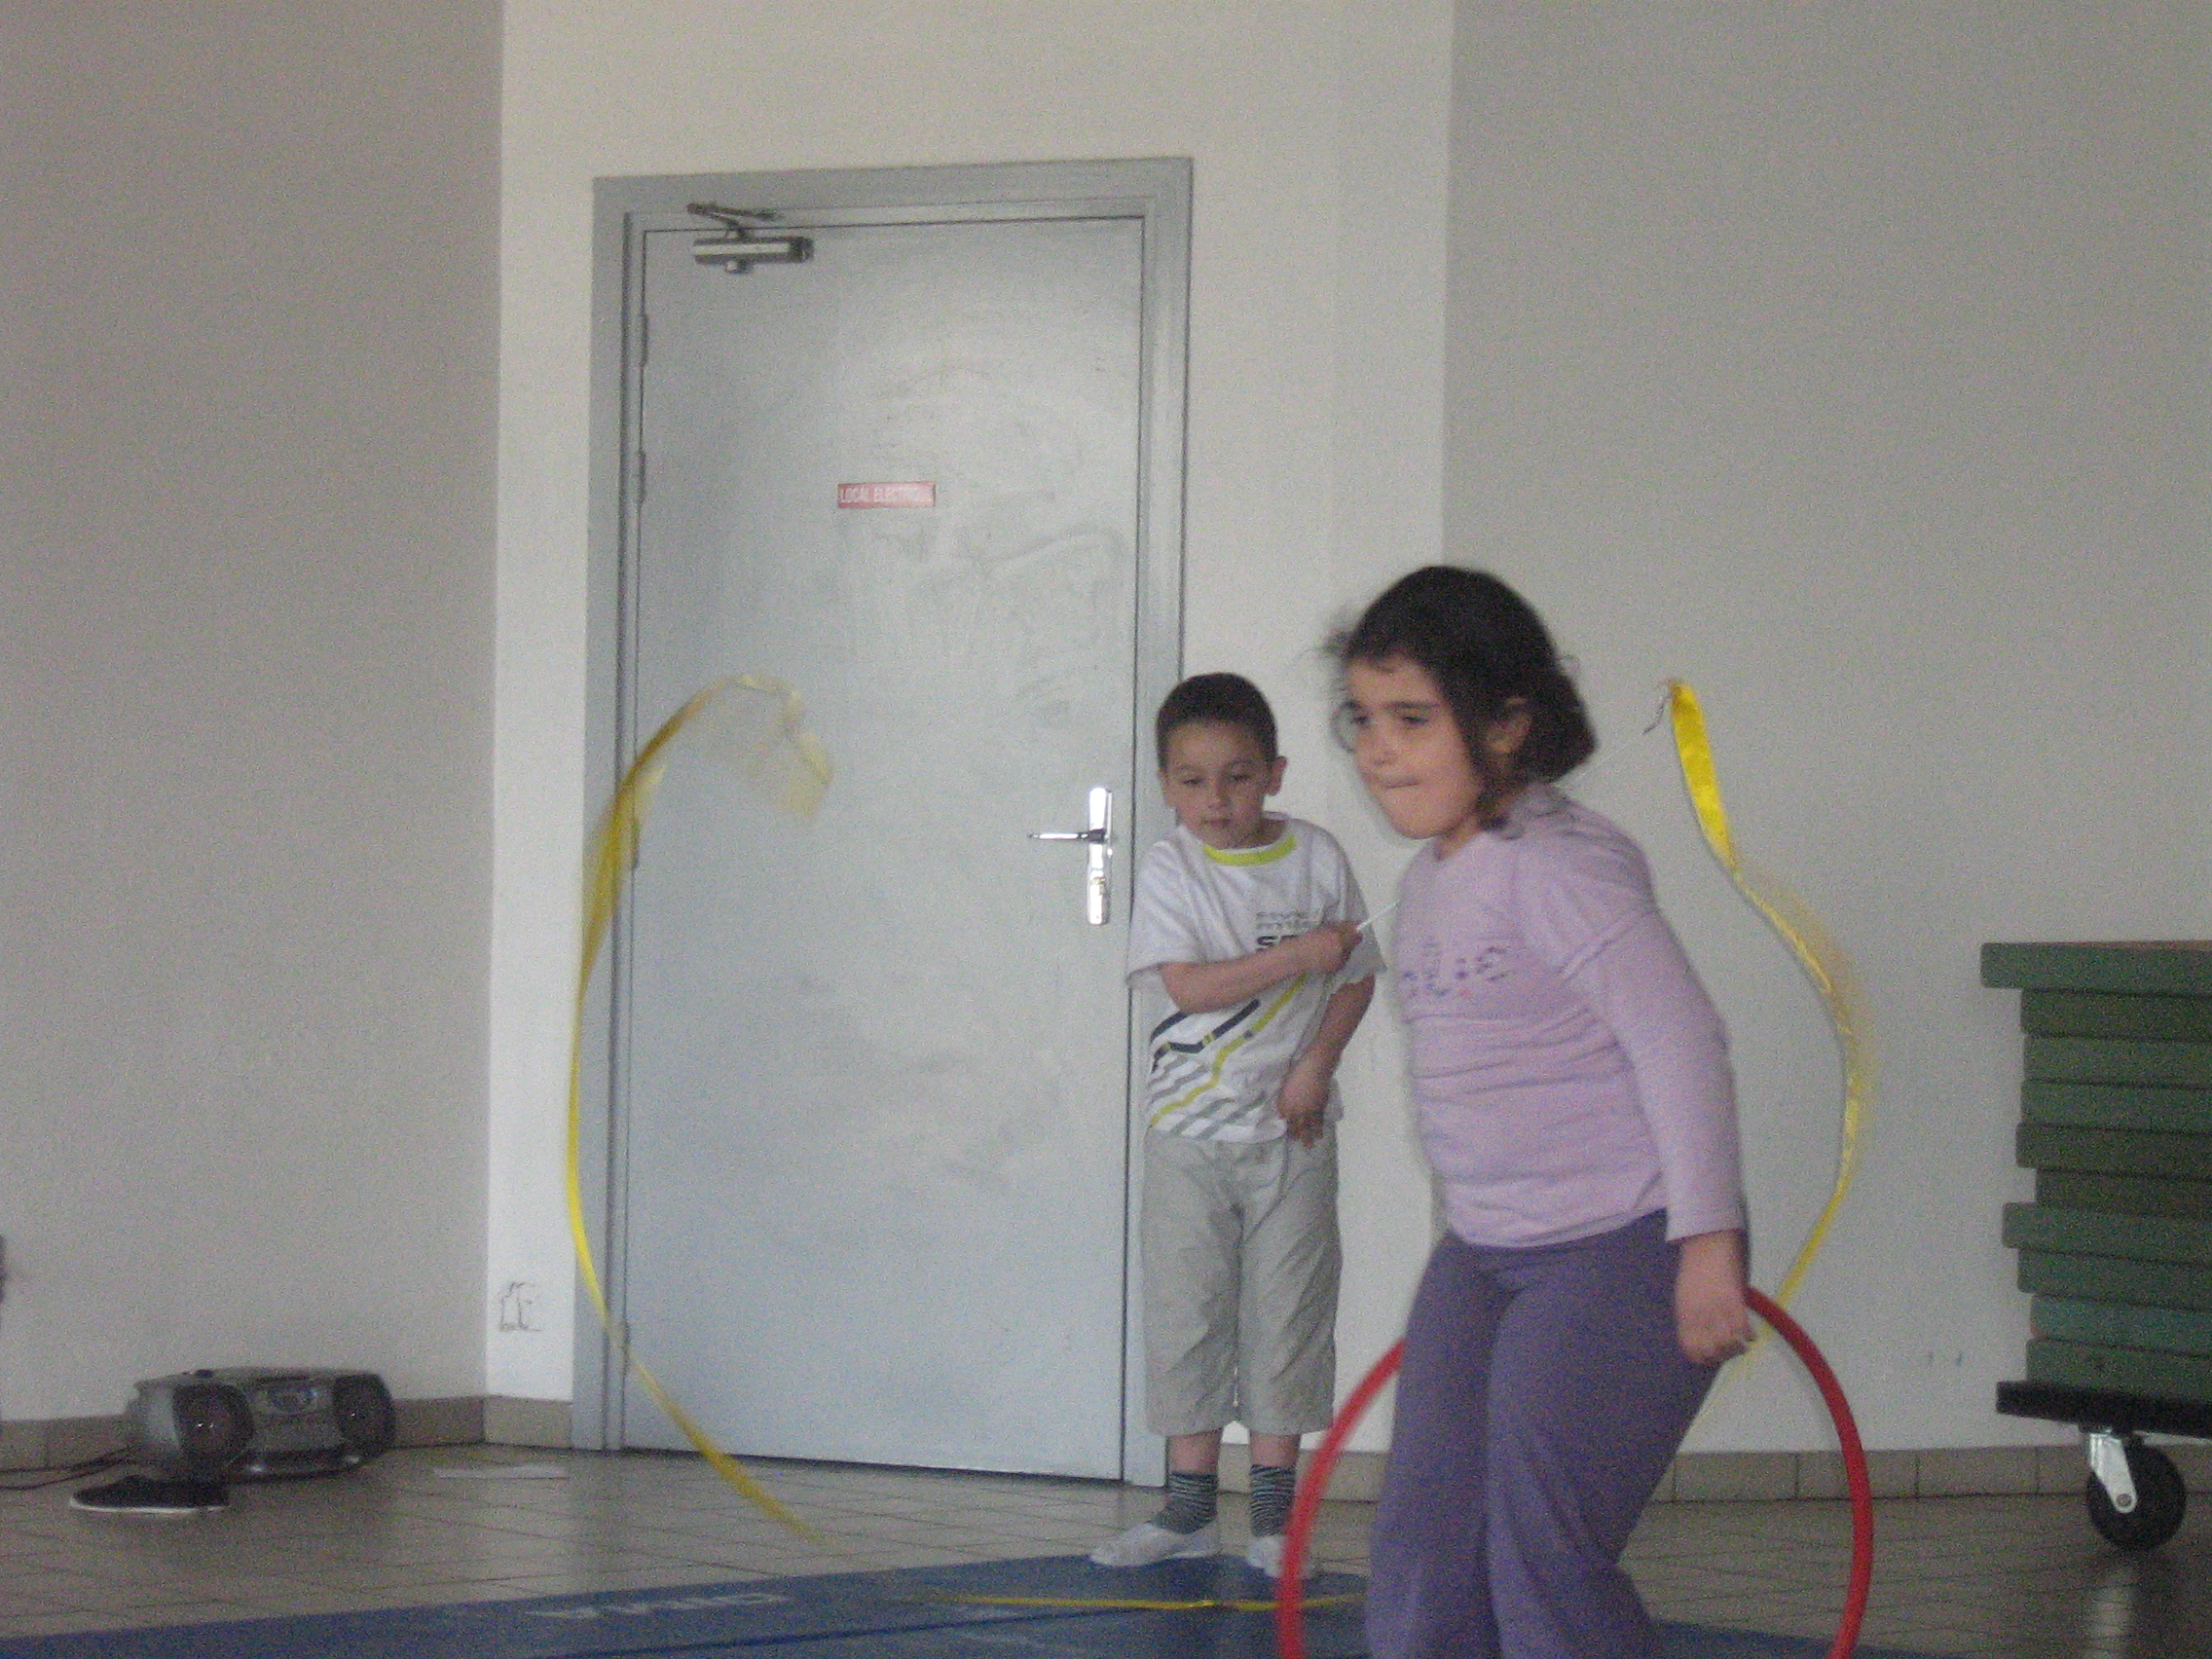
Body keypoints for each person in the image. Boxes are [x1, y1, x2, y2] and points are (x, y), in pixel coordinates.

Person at [1333, 567, 1751, 1658]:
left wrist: (1707, 1244)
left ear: (1507, 725)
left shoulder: (1560, 867)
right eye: (1363, 719)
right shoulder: (1429, 881)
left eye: (1412, 719)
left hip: (1621, 1247)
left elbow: (1682, 1043)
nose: (1377, 750)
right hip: (1485, 1253)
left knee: (1539, 1551)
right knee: (1424, 1545)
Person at [1091, 671, 1382, 1579]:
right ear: (1165, 785)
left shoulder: (1319, 856)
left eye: (1238, 776)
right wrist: (1298, 955)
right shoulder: (1170, 867)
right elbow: (1190, 987)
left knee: (1288, 1314)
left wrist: (1314, 1067)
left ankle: (1273, 1521)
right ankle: (1186, 1511)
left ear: (1275, 774)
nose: (1215, 800)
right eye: (1192, 781)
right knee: (1188, 1314)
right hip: (1189, 1136)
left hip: (1295, 1136)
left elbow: (1357, 978)